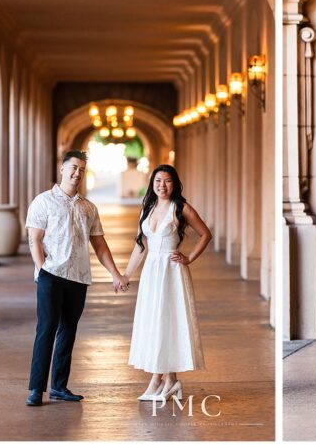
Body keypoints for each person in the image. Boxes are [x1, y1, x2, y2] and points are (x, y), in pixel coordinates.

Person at [25, 150, 129, 406]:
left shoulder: (88, 208)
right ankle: (36, 389)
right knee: (46, 330)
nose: (77, 173)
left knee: (68, 331)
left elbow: (100, 245)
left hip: (79, 277)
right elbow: (34, 239)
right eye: (73, 168)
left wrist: (116, 274)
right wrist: (43, 270)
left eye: (81, 169)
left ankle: (59, 386)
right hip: (51, 274)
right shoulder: (43, 201)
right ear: (62, 169)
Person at [123, 164, 209, 402]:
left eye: (168, 181)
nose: (162, 185)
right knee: (157, 323)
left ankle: (156, 380)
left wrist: (189, 257)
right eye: (158, 180)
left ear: (175, 183)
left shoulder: (181, 208)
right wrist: (126, 275)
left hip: (171, 271)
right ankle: (170, 380)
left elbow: (205, 234)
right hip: (151, 272)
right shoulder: (147, 209)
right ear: (152, 183)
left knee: (167, 321)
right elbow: (141, 247)